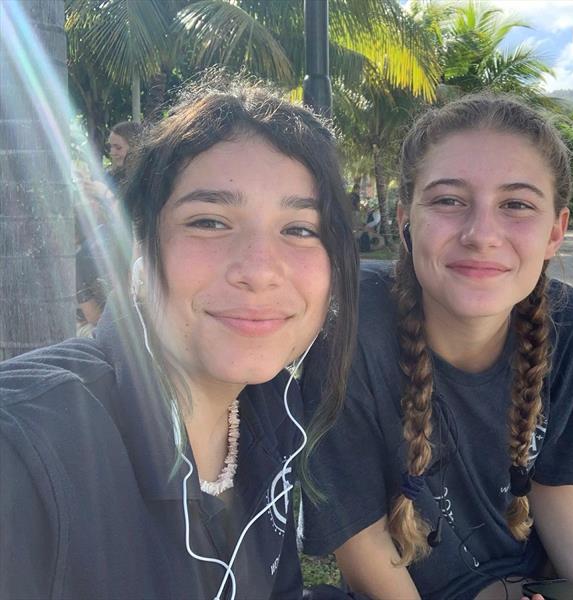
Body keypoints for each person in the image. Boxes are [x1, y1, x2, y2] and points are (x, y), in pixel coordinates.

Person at [300, 95, 573, 600]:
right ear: (406, 219)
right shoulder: (350, 323)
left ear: (555, 231)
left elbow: (554, 483)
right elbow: (361, 542)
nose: (482, 234)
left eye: (517, 205)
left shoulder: (566, 320)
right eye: (448, 200)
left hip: (533, 554)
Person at [0, 76, 358, 599]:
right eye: (210, 222)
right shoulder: (31, 447)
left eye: (300, 229)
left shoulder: (274, 419)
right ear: (140, 246)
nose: (260, 270)